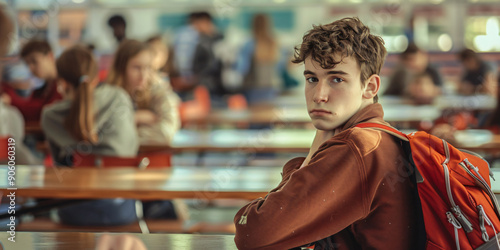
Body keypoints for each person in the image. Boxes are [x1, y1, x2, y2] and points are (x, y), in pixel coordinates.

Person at [234, 17, 420, 249]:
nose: (318, 95)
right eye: (312, 79)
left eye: (337, 79)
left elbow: (253, 235)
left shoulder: (356, 147)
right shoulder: (382, 135)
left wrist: (311, 158)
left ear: (370, 87)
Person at [41, 45, 138, 225]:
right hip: (120, 209)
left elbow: (59, 167)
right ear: (96, 76)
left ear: (62, 82)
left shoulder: (50, 116)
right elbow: (131, 147)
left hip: (75, 211)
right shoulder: (119, 97)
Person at [108, 39, 180, 144]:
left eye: (148, 68)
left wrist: (127, 131)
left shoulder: (157, 89)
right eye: (137, 68)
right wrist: (134, 117)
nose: (143, 75)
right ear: (121, 68)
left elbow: (167, 132)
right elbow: (105, 136)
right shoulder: (107, 94)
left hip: (151, 158)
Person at [1, 39, 62, 122]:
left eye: (34, 61)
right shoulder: (46, 85)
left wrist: (11, 99)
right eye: (27, 63)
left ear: (50, 56)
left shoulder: (62, 83)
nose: (30, 68)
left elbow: (38, 112)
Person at [234, 13, 287, 105]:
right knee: (268, 116)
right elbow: (280, 67)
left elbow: (243, 68)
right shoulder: (274, 43)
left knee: (254, 116)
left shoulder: (249, 44)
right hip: (271, 87)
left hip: (253, 88)